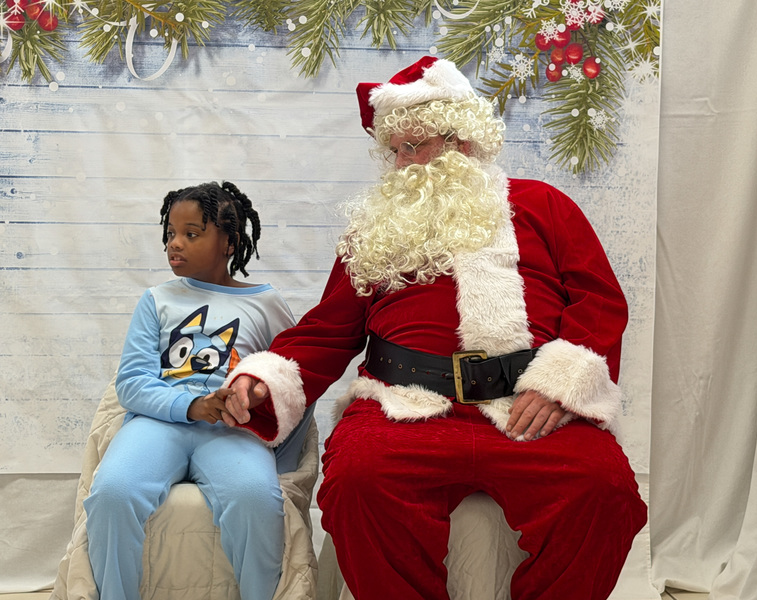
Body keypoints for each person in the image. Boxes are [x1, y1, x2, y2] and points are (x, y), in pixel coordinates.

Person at [223, 56, 648, 599]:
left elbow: (599, 303)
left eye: (414, 146)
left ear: (463, 142)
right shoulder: (374, 231)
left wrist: (561, 383)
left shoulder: (544, 205)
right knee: (357, 483)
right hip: (403, 405)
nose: (402, 163)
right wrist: (263, 380)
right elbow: (328, 330)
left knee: (604, 489)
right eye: (395, 150)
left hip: (524, 406)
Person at [83, 181, 310, 600]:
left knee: (256, 499)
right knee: (112, 494)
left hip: (233, 432)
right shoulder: (156, 299)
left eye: (192, 233)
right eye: (171, 233)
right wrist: (191, 405)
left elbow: (293, 380)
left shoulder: (266, 304)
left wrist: (280, 460)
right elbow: (131, 382)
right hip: (157, 425)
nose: (175, 244)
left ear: (230, 241)